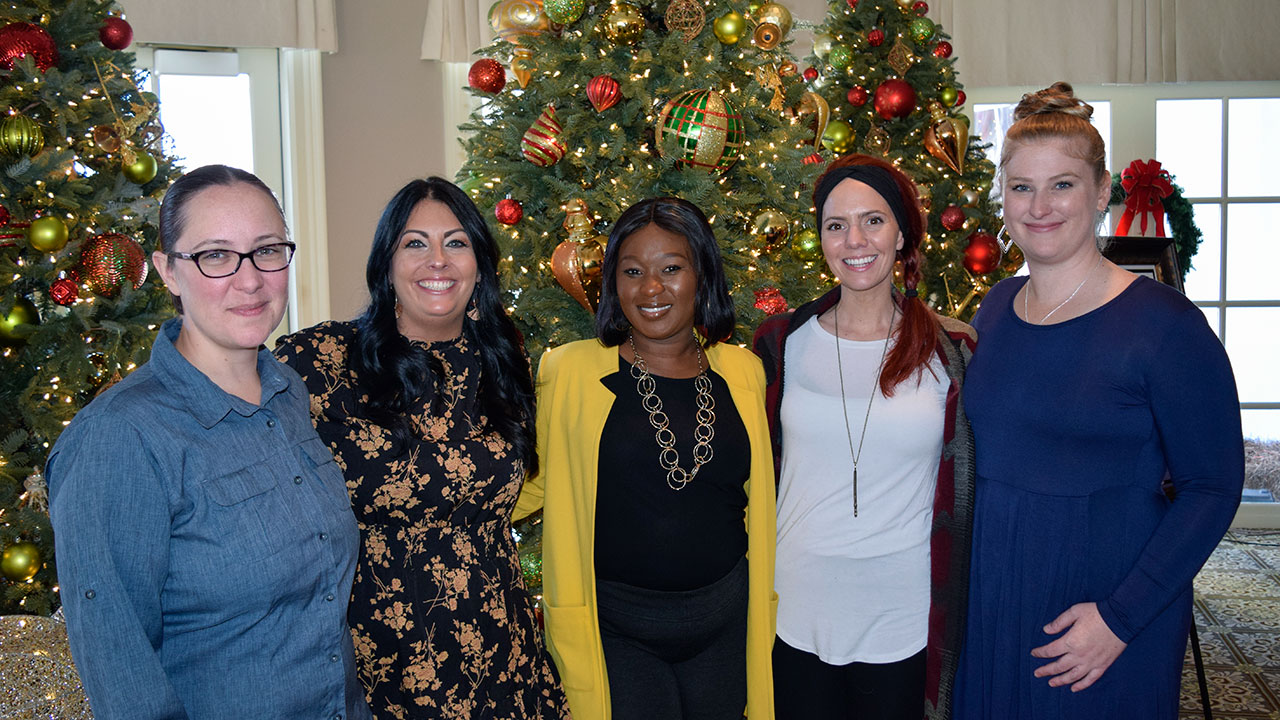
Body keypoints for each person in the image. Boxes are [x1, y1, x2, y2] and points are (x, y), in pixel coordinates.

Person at [952, 82, 1244, 718]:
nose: (1039, 206)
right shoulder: (997, 305)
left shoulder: (1164, 324)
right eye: (1022, 187)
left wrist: (1121, 618)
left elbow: (1213, 487)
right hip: (994, 597)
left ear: (1101, 190)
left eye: (1062, 184)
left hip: (1102, 616)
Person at [47, 165, 371, 720]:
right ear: (168, 272)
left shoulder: (288, 391)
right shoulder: (121, 437)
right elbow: (121, 668)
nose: (250, 280)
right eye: (216, 255)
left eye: (268, 250)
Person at [274, 177, 569, 719]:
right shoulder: (318, 360)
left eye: (456, 243)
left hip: (504, 658)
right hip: (381, 664)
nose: (438, 260)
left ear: (480, 262)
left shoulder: (504, 360)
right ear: (386, 262)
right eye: (415, 243)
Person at [515, 197, 776, 720]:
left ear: (702, 275)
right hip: (616, 633)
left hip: (724, 627)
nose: (651, 288)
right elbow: (524, 483)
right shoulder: (567, 373)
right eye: (632, 271)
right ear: (614, 282)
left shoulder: (743, 373)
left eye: (671, 269)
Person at [753, 154, 977, 719]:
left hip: (902, 618)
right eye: (836, 225)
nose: (855, 239)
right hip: (795, 613)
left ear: (902, 233)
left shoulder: (951, 351)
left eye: (873, 220)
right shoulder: (778, 345)